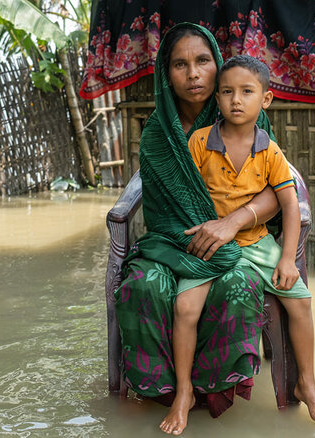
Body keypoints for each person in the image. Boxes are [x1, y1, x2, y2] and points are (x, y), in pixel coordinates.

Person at [113, 23, 281, 435]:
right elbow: (163, 210)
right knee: (144, 285)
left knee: (238, 283)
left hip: (233, 242)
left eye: (203, 61)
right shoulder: (156, 134)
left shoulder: (247, 119)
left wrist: (232, 222)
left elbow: (277, 191)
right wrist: (196, 236)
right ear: (164, 74)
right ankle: (161, 391)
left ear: (217, 65)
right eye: (180, 64)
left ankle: (212, 391)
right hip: (170, 243)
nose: (193, 73)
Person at [179, 54, 315, 430]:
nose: (236, 100)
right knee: (185, 309)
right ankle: (184, 391)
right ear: (216, 99)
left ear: (265, 99)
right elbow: (183, 195)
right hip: (211, 243)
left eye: (246, 92)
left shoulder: (269, 151)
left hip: (258, 242)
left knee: (301, 302)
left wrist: (287, 259)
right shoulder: (199, 142)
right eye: (227, 92)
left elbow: (290, 207)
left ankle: (306, 384)